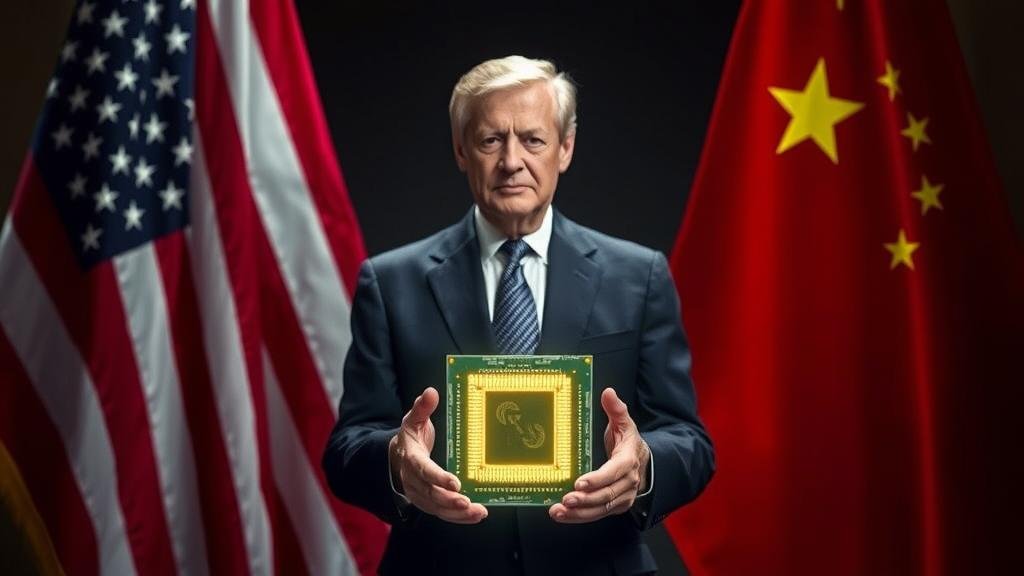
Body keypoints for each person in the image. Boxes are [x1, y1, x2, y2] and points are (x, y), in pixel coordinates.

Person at [323, 55, 714, 575]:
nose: (512, 161)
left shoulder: (638, 277)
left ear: (565, 148)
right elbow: (347, 447)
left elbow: (689, 440)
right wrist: (397, 461)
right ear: (461, 151)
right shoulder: (390, 282)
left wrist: (643, 466)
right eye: (490, 140)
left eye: (533, 139)